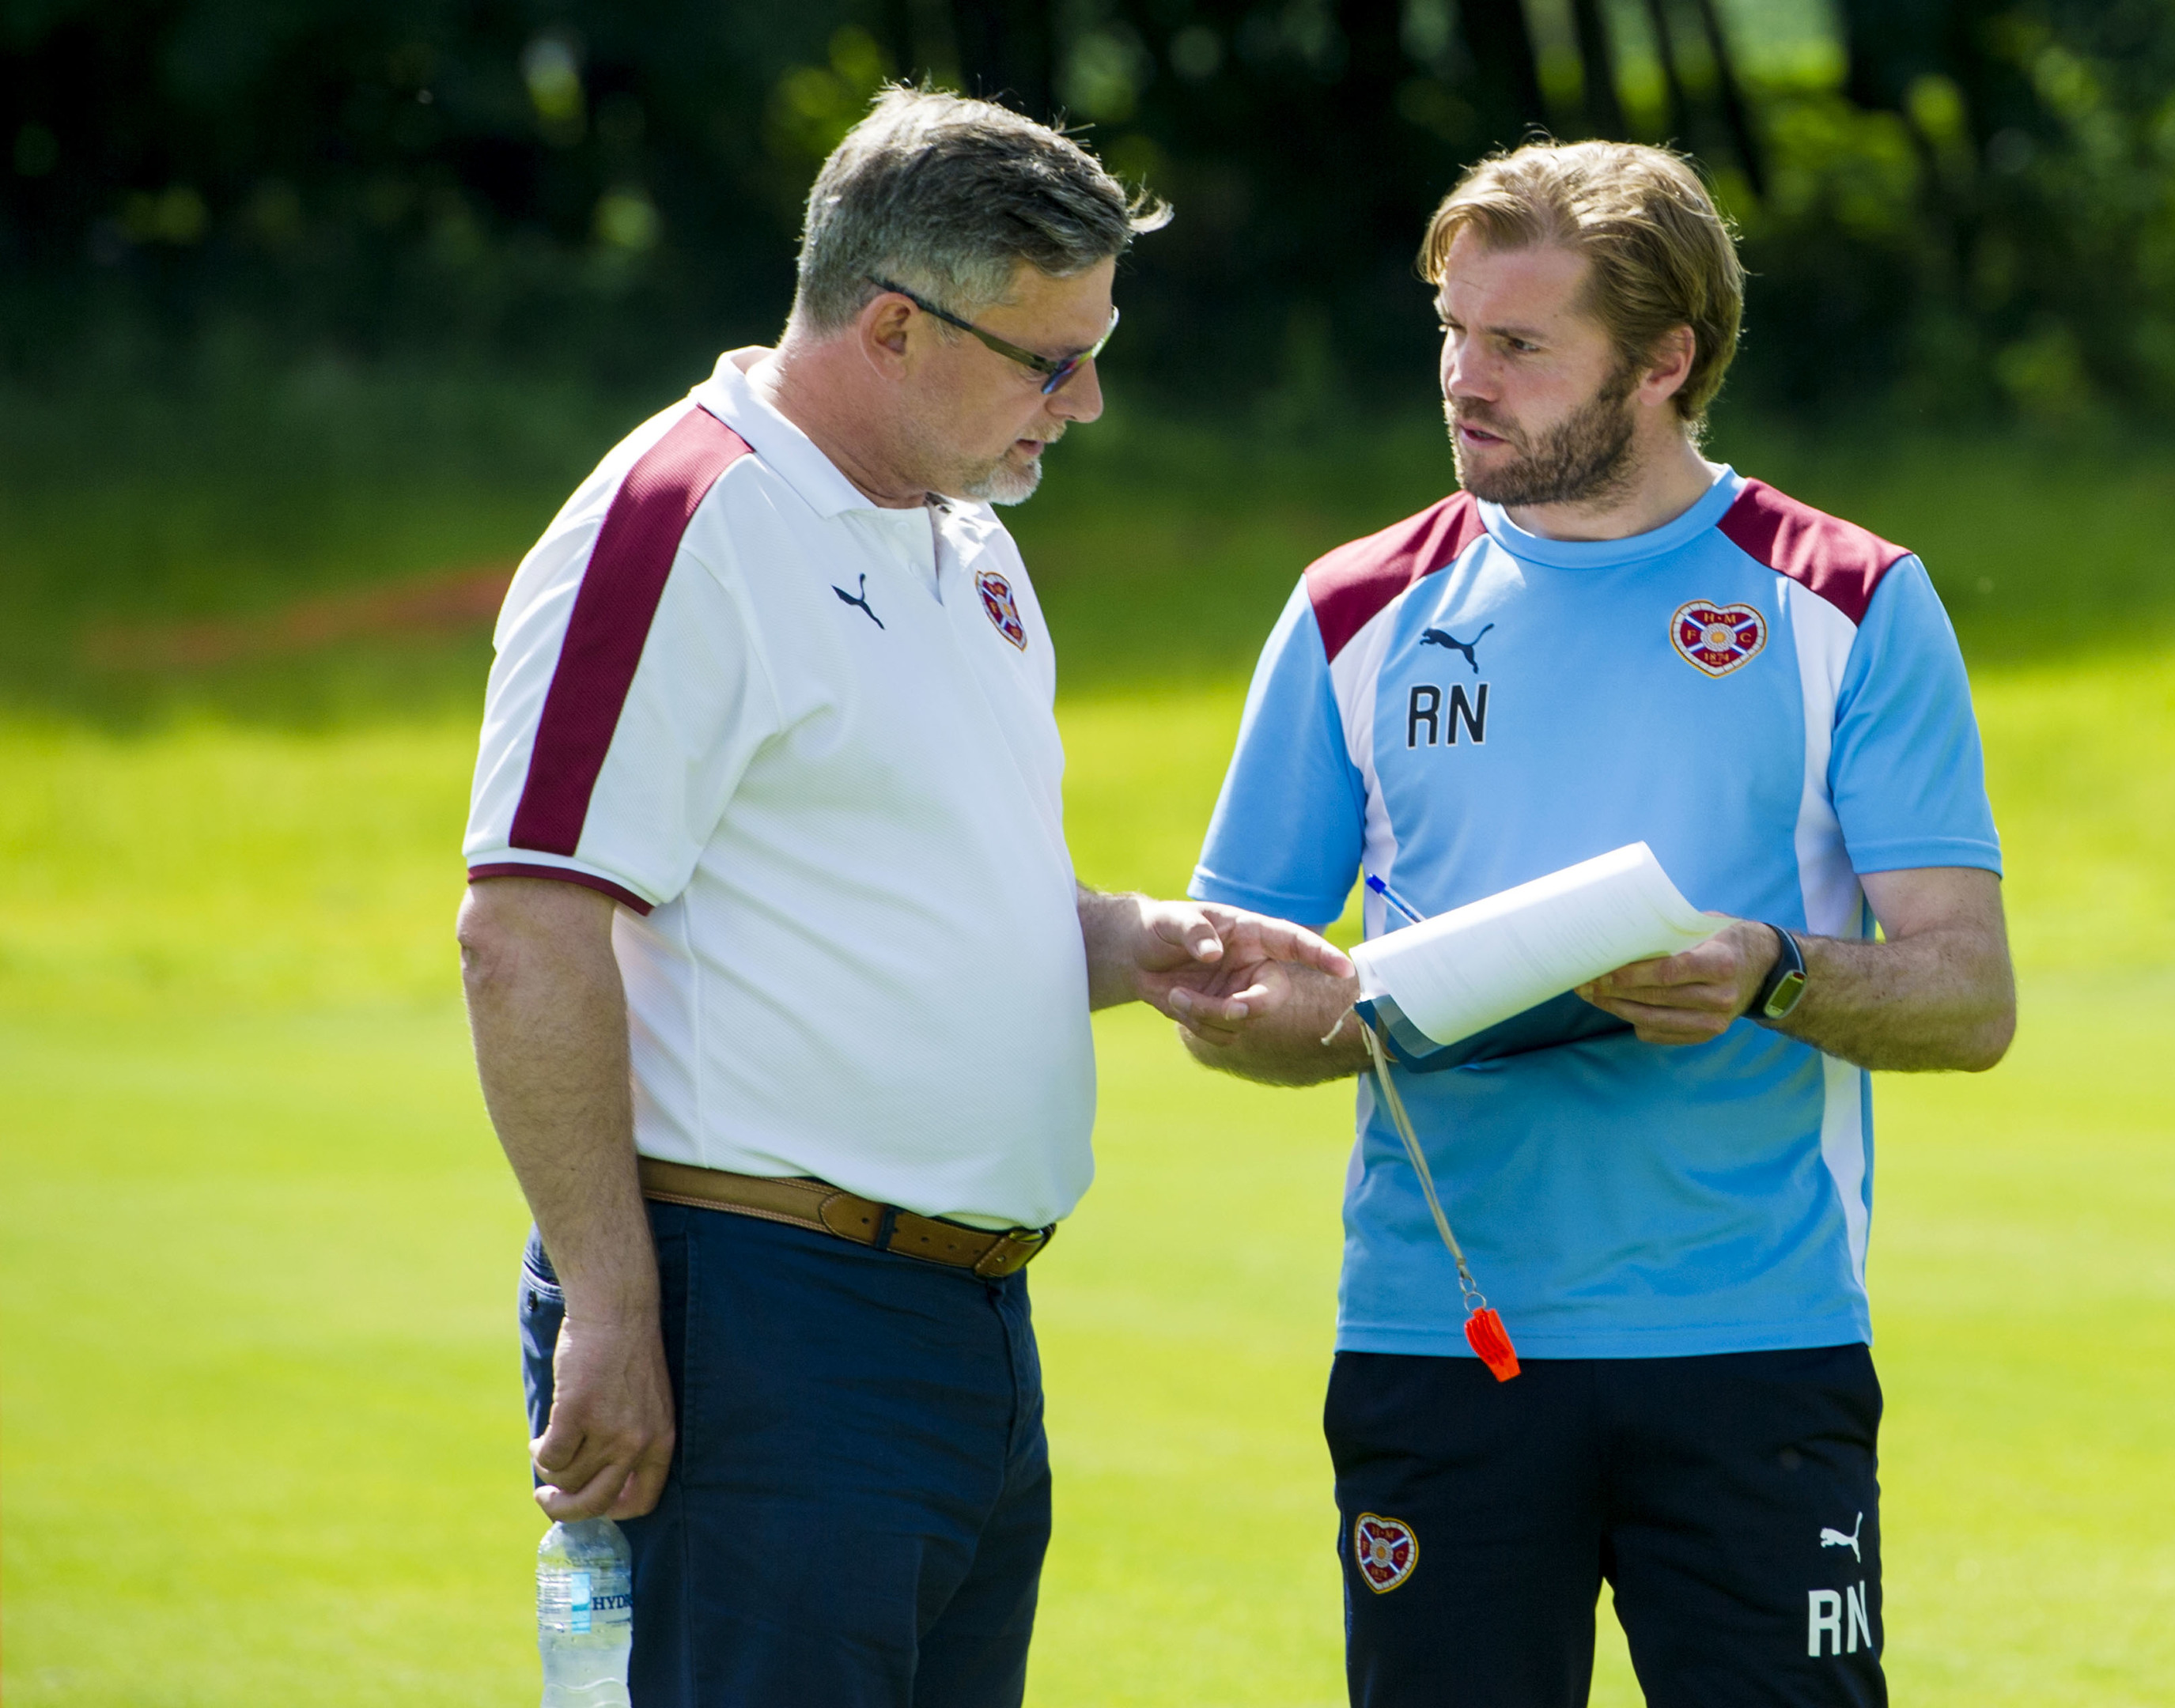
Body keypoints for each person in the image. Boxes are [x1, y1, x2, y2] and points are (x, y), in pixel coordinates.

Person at [457, 88, 1348, 1707]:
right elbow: (525, 924)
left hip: (964, 1333)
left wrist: (1134, 946)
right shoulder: (684, 522)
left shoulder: (967, 539)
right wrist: (607, 1304)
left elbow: (904, 902)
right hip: (761, 1329)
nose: (1081, 406)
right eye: (1046, 359)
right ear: (888, 326)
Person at [1170, 141, 2016, 1707]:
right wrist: (1345, 1007)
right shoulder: (1353, 611)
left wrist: (1766, 974)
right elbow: (1234, 995)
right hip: (1441, 1346)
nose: (1459, 380)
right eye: (1448, 331)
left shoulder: (1844, 599)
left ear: (1663, 360)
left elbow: (1964, 1000)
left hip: (1753, 1348)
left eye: (1515, 345)